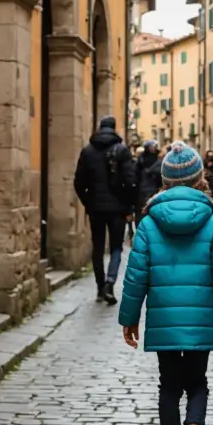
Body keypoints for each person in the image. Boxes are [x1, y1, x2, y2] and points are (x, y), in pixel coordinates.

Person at [119, 141, 213, 425]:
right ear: (199, 180)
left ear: (164, 181)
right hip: (200, 320)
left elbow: (136, 277)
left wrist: (130, 318)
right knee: (197, 382)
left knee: (168, 384)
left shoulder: (148, 224)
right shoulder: (211, 222)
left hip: (164, 320)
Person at [73, 116, 136, 305]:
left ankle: (100, 288)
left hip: (96, 208)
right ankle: (110, 282)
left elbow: (78, 182)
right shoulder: (122, 150)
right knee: (116, 247)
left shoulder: (87, 151)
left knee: (98, 247)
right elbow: (131, 181)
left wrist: (87, 202)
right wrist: (129, 206)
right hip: (118, 208)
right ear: (114, 128)